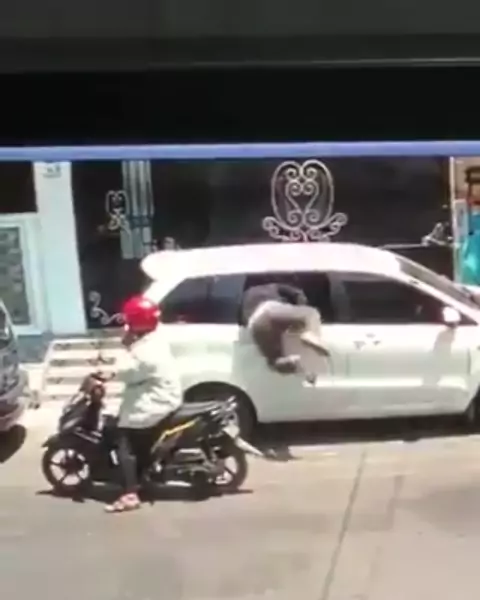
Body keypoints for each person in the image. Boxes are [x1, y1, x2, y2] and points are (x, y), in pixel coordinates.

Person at [103, 295, 183, 513]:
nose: (126, 324)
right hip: (160, 394)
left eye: (129, 320)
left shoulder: (144, 352)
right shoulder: (153, 336)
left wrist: (106, 372)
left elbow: (125, 371)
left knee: (123, 438)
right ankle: (143, 472)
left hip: (155, 401)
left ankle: (130, 494)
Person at [241, 280, 331, 379]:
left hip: (255, 322)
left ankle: (294, 363)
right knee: (311, 314)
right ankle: (308, 332)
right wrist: (300, 307)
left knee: (274, 360)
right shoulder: (275, 286)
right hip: (273, 310)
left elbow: (240, 318)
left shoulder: (246, 294)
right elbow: (299, 295)